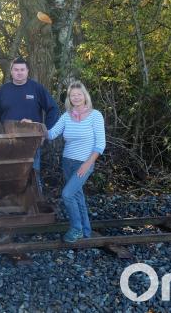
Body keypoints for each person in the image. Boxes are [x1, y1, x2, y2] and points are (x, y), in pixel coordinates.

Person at [0, 57, 59, 191]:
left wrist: (45, 131)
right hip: (7, 141)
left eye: (22, 69)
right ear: (11, 72)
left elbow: (53, 109)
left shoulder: (36, 88)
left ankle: (35, 202)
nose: (19, 72)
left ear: (28, 71)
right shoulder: (3, 90)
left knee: (32, 174)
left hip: (31, 142)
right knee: (8, 173)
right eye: (16, 70)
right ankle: (11, 201)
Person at [45, 80, 105, 243]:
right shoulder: (67, 116)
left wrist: (87, 164)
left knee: (67, 194)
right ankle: (86, 231)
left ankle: (76, 229)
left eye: (79, 94)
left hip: (84, 163)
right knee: (77, 196)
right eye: (73, 95)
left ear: (85, 96)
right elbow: (51, 134)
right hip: (67, 162)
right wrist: (34, 125)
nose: (76, 97)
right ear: (69, 99)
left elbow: (100, 144)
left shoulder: (95, 115)